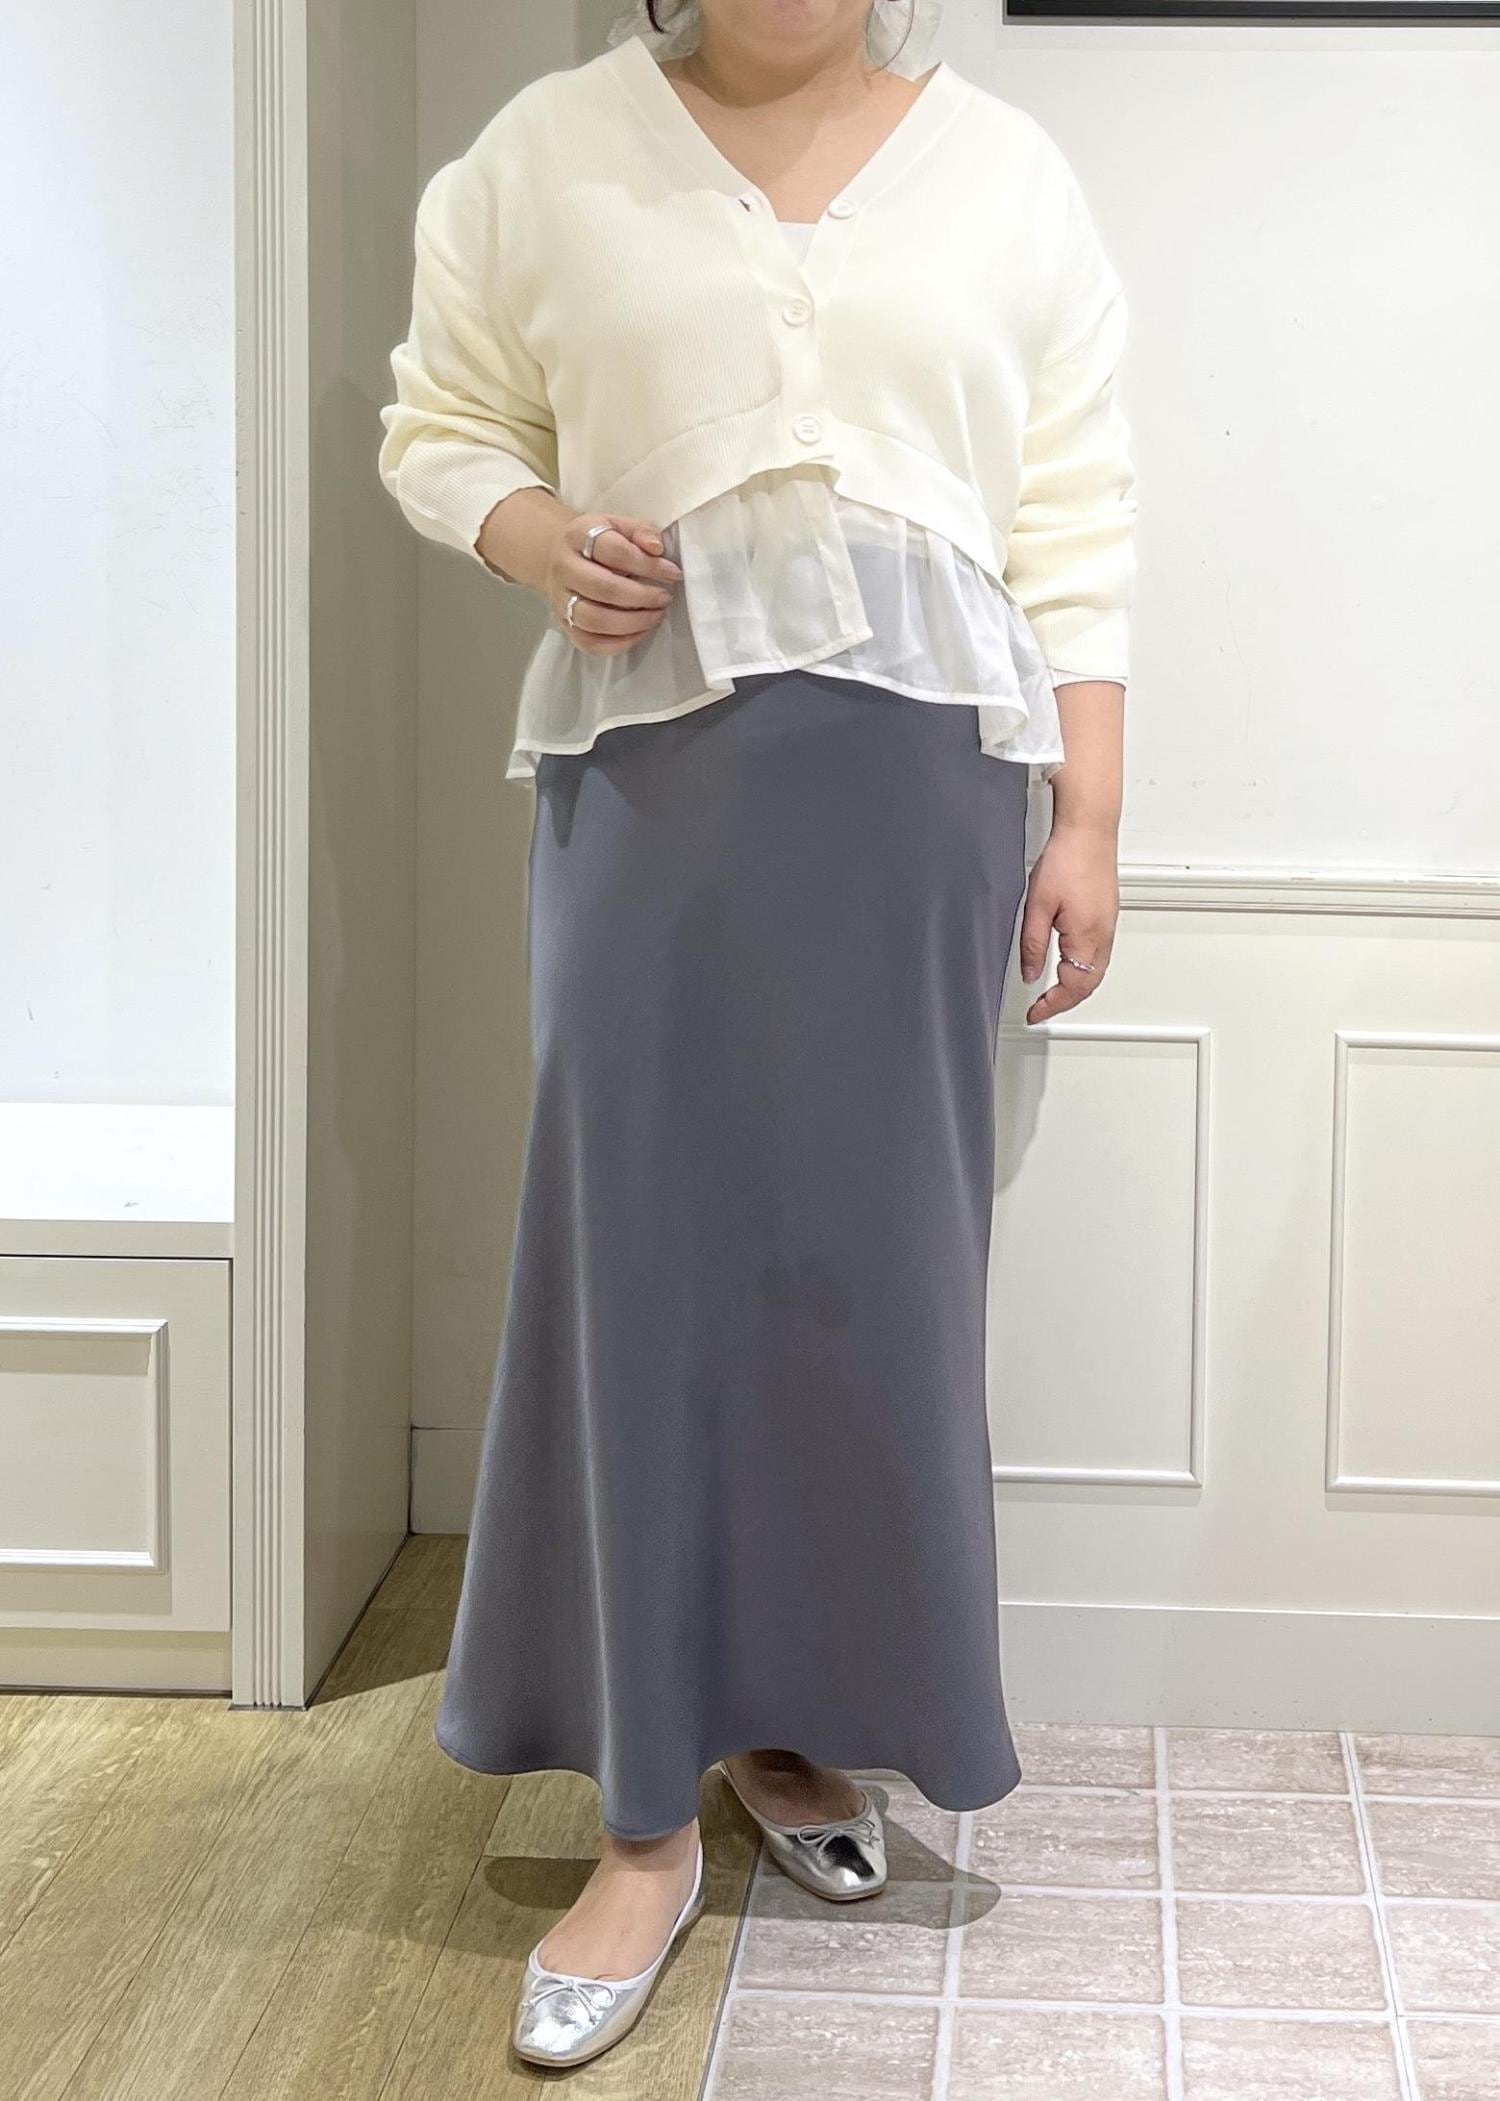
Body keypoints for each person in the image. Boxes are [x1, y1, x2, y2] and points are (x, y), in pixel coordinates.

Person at [378, 0, 1136, 2069]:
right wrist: (539, 537)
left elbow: (1074, 518)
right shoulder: (549, 151)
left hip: (922, 798)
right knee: (642, 1269)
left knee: (864, 1278)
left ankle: (798, 1724)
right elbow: (441, 425)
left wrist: (1087, 818)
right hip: (654, 780)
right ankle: (641, 1814)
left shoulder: (1007, 176)